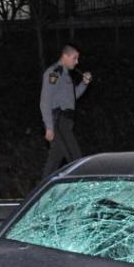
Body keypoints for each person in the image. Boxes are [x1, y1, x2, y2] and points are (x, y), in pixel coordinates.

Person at [39, 44, 92, 179]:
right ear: (65, 56)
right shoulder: (54, 73)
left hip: (66, 122)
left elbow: (72, 99)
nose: (77, 62)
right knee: (76, 159)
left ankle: (40, 193)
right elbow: (45, 100)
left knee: (54, 161)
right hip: (59, 122)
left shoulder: (66, 75)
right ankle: (86, 188)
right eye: (74, 58)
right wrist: (49, 127)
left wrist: (84, 83)